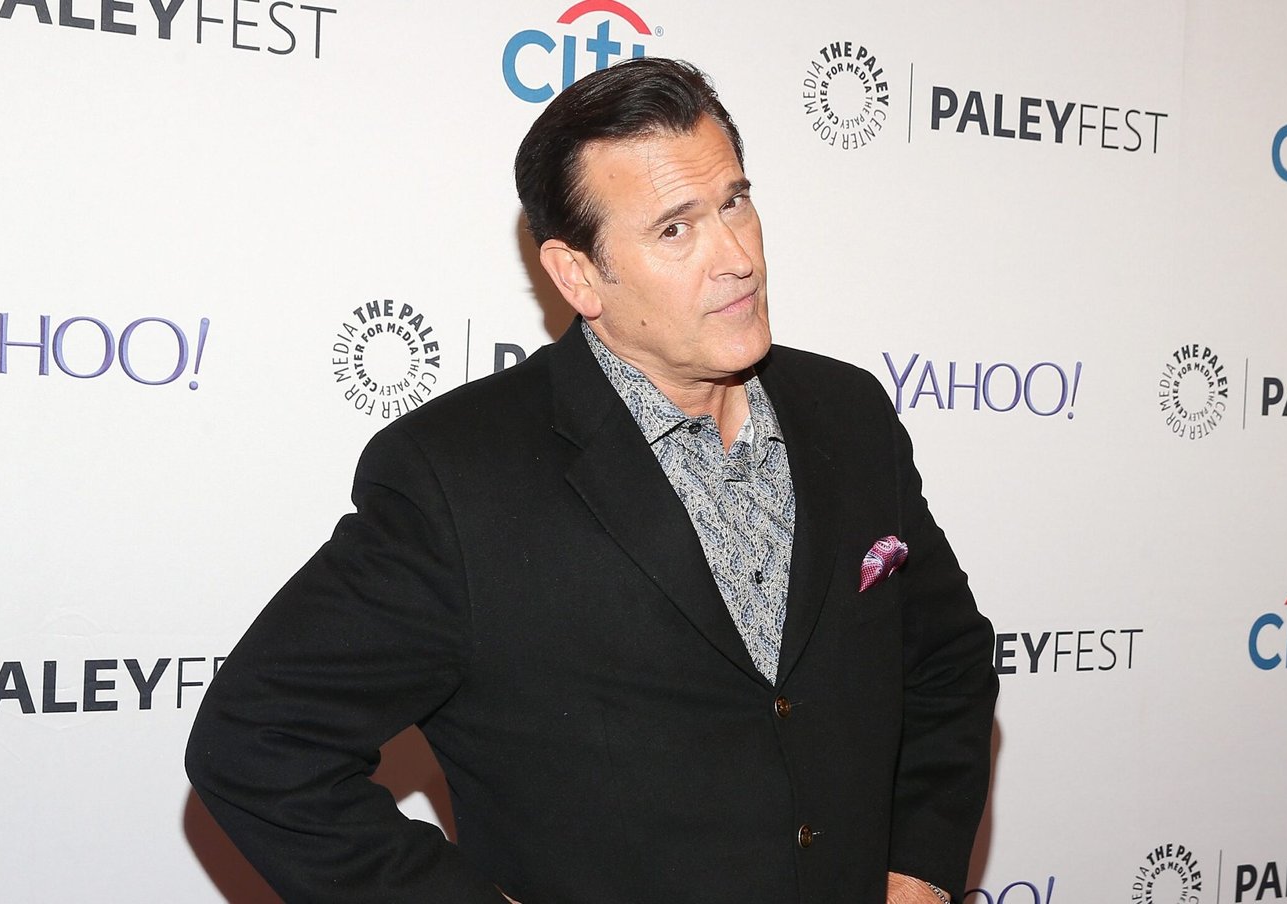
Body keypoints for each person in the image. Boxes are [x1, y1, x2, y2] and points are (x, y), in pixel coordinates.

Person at [185, 57, 997, 904]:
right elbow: (257, 741)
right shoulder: (458, 478)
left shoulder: (849, 414)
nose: (736, 258)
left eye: (734, 202)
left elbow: (947, 659)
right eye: (675, 230)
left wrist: (920, 873)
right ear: (577, 275)